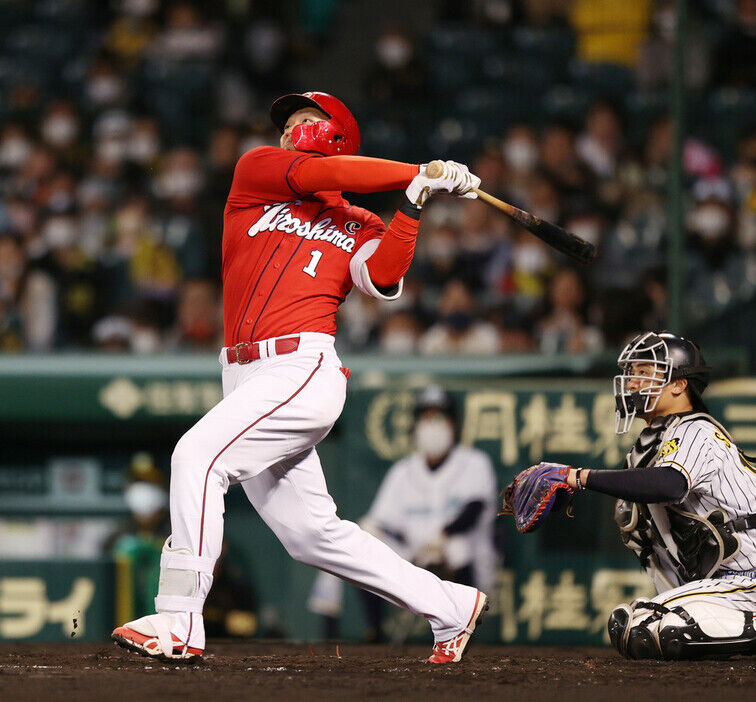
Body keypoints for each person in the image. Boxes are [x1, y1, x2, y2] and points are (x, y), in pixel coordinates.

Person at [111, 91, 488, 663]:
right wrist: (419, 172)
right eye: (288, 123)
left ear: (337, 134)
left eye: (306, 120)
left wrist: (413, 202)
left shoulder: (358, 221)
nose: (290, 129)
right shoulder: (257, 172)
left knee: (196, 458)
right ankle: (450, 605)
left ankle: (180, 619)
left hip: (300, 367)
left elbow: (382, 278)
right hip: (242, 373)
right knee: (311, 534)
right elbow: (326, 174)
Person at [506, 331, 756, 660]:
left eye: (645, 372)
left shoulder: (697, 429)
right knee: (633, 622)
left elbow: (669, 484)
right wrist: (569, 491)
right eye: (632, 372)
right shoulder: (648, 449)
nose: (633, 382)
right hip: (721, 585)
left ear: (679, 385)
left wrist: (578, 477)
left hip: (748, 578)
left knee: (654, 627)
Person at [308, 386, 498, 641]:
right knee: (360, 536)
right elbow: (381, 521)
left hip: (457, 555)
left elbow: (473, 511)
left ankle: (463, 630)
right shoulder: (403, 471)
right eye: (426, 417)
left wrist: (442, 536)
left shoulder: (474, 462)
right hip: (415, 553)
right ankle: (374, 631)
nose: (432, 425)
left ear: (454, 423)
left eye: (439, 417)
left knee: (458, 547)